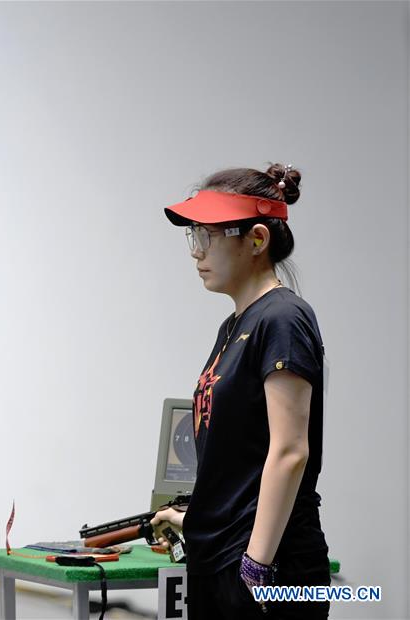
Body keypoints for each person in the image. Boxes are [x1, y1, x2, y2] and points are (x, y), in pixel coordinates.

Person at [151, 164, 329, 619]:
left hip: (266, 570)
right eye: (193, 237)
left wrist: (255, 567)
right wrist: (198, 518)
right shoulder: (233, 326)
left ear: (255, 240)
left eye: (207, 237)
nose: (196, 252)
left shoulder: (284, 318)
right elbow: (240, 458)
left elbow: (290, 451)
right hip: (222, 559)